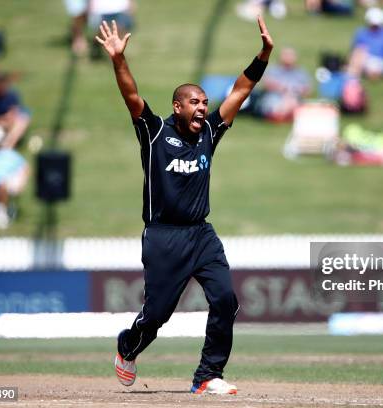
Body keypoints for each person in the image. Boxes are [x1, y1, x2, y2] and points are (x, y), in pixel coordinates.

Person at [96, 17, 274, 394]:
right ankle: (127, 346)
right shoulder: (155, 131)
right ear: (177, 107)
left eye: (204, 102)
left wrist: (264, 54)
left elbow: (241, 90)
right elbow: (131, 95)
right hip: (163, 236)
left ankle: (208, 375)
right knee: (157, 315)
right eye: (194, 102)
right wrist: (118, 60)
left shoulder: (210, 131)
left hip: (201, 235)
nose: (202, 107)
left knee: (226, 300)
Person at [257, 47, 311, 122]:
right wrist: (282, 90)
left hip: (294, 98)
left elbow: (307, 90)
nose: (288, 58)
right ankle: (284, 116)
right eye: (286, 55)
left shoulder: (301, 73)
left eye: (290, 56)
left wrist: (295, 91)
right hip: (275, 97)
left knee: (294, 102)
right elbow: (266, 84)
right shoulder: (273, 70)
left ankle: (286, 115)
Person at [347, 7, 383, 79]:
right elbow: (355, 51)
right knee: (360, 51)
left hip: (382, 61)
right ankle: (352, 77)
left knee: (374, 70)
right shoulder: (361, 32)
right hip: (365, 60)